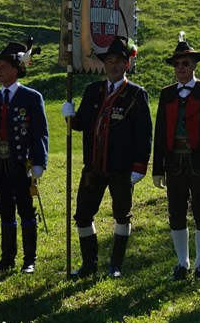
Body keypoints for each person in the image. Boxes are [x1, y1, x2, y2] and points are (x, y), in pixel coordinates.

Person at [62, 35, 152, 279]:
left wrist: (140, 166)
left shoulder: (135, 94)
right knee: (82, 214)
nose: (113, 65)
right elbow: (81, 123)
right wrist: (69, 116)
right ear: (104, 64)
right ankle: (89, 264)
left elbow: (144, 134)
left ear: (127, 65)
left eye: (118, 61)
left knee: (122, 214)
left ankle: (116, 264)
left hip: (121, 167)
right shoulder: (93, 91)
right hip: (93, 166)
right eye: (109, 60)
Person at [152, 36, 200, 281]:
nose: (181, 68)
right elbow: (160, 132)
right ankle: (182, 263)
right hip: (175, 162)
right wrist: (157, 168)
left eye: (185, 63)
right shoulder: (166, 95)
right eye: (176, 64)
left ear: (194, 65)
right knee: (176, 211)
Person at [0, 39, 49, 274]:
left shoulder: (31, 97)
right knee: (5, 209)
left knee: (26, 209)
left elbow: (40, 130)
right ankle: (7, 258)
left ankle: (30, 260)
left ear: (16, 69)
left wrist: (39, 161)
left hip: (22, 162)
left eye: (3, 66)